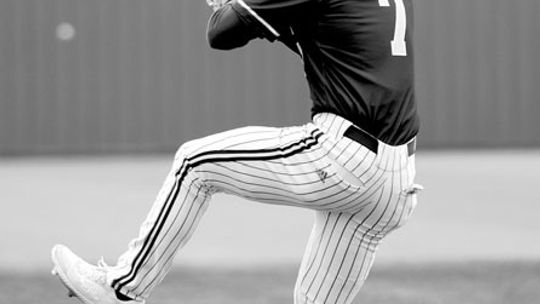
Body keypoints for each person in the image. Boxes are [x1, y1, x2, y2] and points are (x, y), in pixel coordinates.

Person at [51, 0, 423, 303]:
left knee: (194, 164)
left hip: (344, 156)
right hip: (397, 180)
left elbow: (222, 33)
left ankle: (122, 289)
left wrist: (230, 7)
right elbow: (323, 38)